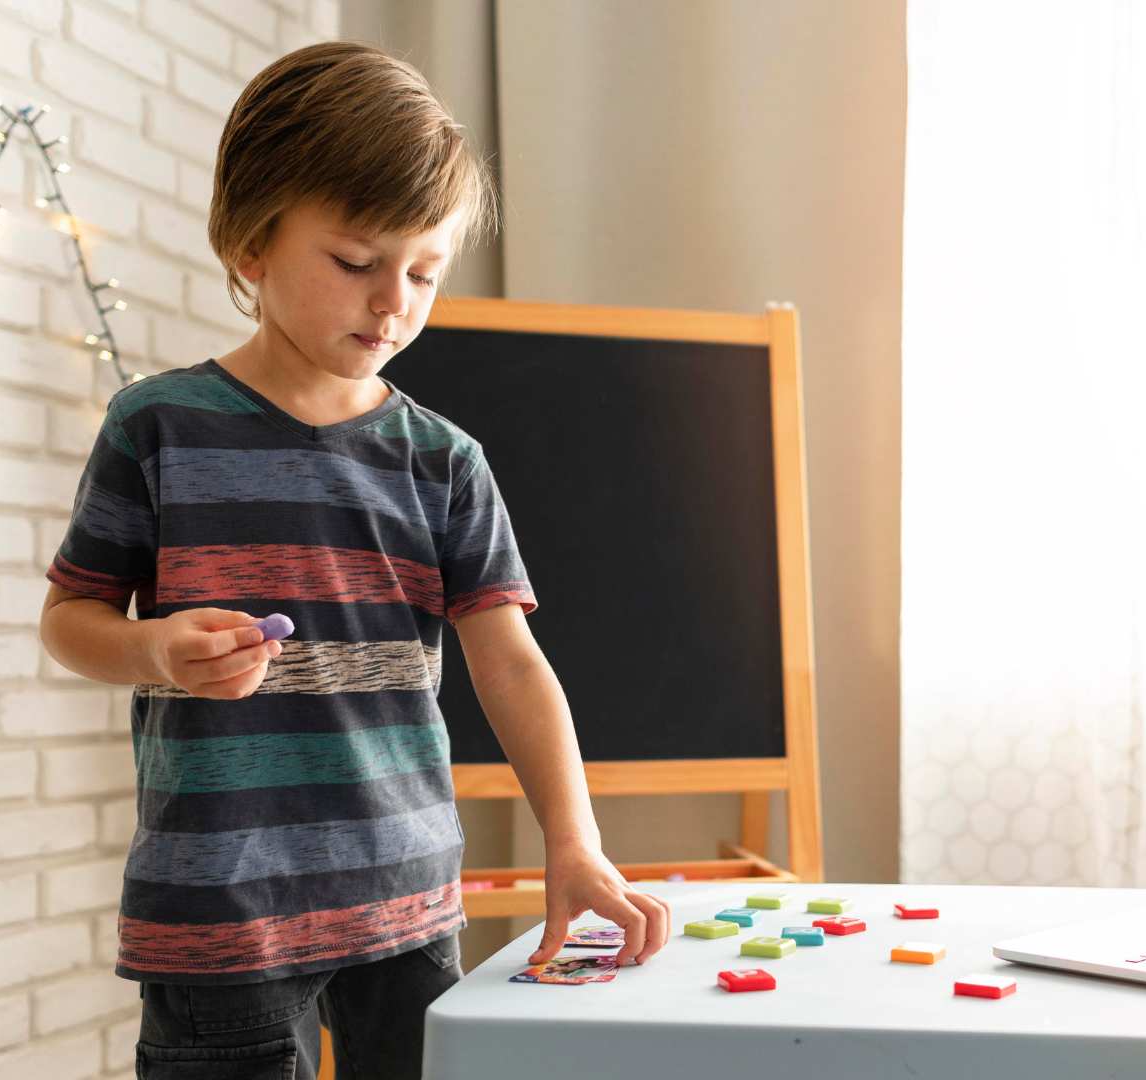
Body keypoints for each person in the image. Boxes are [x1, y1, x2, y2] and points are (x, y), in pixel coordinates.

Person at [37, 40, 671, 1080]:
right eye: (355, 262)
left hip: (404, 903)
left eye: (424, 273)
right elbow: (70, 620)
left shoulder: (444, 460)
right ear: (250, 242)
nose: (393, 303)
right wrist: (154, 649)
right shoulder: (156, 428)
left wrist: (574, 841)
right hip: (221, 914)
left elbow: (511, 663)